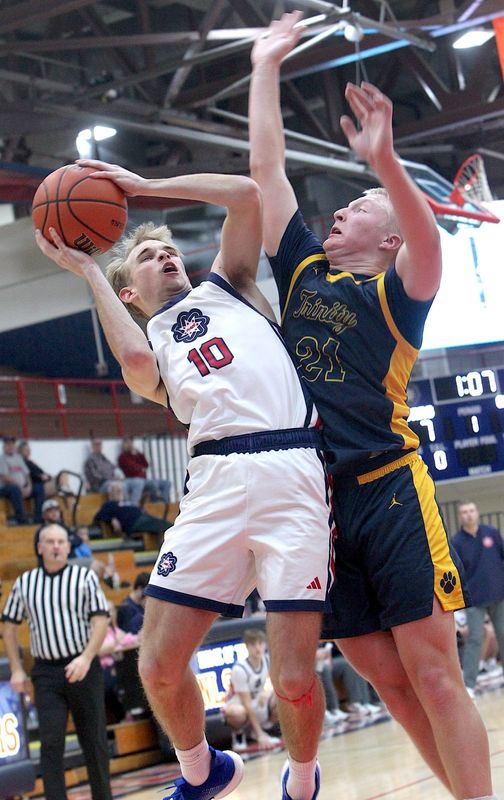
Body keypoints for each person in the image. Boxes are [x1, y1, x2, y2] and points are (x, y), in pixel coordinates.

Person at [249, 12, 496, 800]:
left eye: (355, 207)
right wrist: (263, 68)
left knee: (430, 667)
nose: (337, 214)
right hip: (319, 507)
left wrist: (385, 164)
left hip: (388, 486)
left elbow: (431, 248)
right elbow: (267, 173)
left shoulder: (394, 296)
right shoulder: (302, 274)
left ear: (385, 237)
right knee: (384, 677)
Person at [35, 162, 333, 800]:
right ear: (131, 291)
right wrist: (91, 269)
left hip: (291, 471)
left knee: (292, 679)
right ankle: (203, 773)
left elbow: (247, 195)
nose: (166, 256)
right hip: (214, 481)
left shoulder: (230, 287)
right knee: (158, 663)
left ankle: (302, 783)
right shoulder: (150, 342)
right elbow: (136, 362)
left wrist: (140, 187)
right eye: (147, 255)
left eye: (170, 249)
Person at [1, 522, 112, 800]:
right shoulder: (26, 583)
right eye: (50, 541)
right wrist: (16, 668)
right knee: (50, 745)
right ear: (40, 547)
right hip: (47, 672)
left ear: (68, 546)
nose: (56, 546)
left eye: (61, 541)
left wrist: (86, 658)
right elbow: (9, 626)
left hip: (84, 667)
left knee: (94, 742)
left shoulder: (84, 577)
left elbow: (101, 619)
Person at [451, 501, 504, 696]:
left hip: (499, 594)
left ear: (477, 512)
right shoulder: (456, 542)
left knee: (503, 634)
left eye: (472, 511)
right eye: (464, 512)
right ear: (459, 517)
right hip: (474, 599)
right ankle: (469, 685)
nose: (469, 515)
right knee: (475, 639)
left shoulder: (491, 532)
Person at [223, 628, 280, 751]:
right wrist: (260, 735)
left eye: (260, 643)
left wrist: (268, 691)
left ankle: (262, 729)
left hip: (256, 702)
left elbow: (278, 683)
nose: (257, 648)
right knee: (237, 713)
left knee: (281, 696)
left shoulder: (267, 660)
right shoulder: (240, 669)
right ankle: (239, 734)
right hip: (239, 704)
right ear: (247, 647)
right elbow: (247, 703)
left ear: (265, 644)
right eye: (253, 645)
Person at [93, 481, 171, 543]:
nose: (119, 492)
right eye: (116, 491)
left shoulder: (128, 502)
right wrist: (111, 519)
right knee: (165, 526)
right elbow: (97, 518)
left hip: (143, 518)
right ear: (110, 494)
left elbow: (141, 511)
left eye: (120, 490)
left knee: (163, 523)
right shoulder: (109, 504)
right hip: (134, 523)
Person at [0, 435, 44, 523]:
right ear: (4, 447)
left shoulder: (18, 457)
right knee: (14, 489)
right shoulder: (2, 459)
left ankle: (38, 518)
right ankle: (21, 519)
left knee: (39, 488)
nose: (11, 447)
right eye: (8, 445)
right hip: (6, 488)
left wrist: (29, 486)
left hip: (21, 488)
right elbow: (4, 477)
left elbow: (27, 474)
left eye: (12, 444)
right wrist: (20, 487)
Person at [118, 435, 171, 506]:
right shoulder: (123, 456)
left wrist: (139, 454)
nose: (130, 444)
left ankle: (164, 503)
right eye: (128, 443)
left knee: (166, 483)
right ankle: (152, 501)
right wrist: (141, 468)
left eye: (131, 442)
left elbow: (146, 465)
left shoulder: (137, 454)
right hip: (133, 479)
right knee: (151, 484)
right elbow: (132, 468)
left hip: (143, 479)